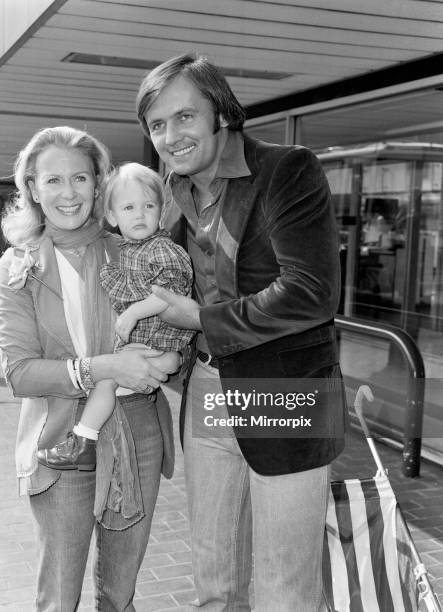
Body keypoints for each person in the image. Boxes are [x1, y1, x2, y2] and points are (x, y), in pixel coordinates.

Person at [135, 53, 348, 611]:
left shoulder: (287, 169)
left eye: (184, 117)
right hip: (206, 388)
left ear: (221, 114)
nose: (171, 135)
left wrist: (201, 320)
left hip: (287, 394)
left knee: (285, 590)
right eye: (157, 125)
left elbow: (312, 292)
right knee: (214, 584)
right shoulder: (170, 195)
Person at [0, 126, 176, 610]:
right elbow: (21, 374)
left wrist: (164, 358)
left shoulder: (132, 249)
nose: (68, 193)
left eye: (80, 178)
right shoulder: (17, 266)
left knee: (120, 593)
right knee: (60, 594)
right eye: (53, 180)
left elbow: (173, 333)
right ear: (32, 187)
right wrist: (105, 367)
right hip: (62, 438)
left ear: (99, 184)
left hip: (138, 434)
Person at [42, 162, 194, 471]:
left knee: (106, 381)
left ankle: (84, 440)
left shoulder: (162, 250)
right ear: (112, 216)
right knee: (108, 380)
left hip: (159, 342)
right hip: (149, 345)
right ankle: (85, 441)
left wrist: (133, 313)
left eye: (148, 205)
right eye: (128, 207)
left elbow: (169, 293)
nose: (139, 214)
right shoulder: (127, 250)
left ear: (161, 211)